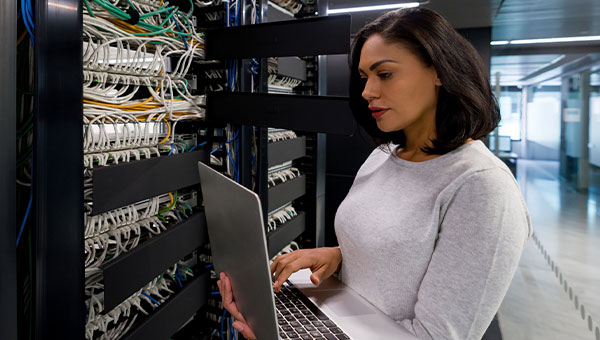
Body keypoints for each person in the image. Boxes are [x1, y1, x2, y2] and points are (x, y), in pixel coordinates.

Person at [217, 7, 531, 340]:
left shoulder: (483, 187)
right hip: (337, 321)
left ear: (439, 70)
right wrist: (339, 257)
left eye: (385, 74)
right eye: (365, 77)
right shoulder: (384, 156)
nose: (367, 91)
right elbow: (401, 256)